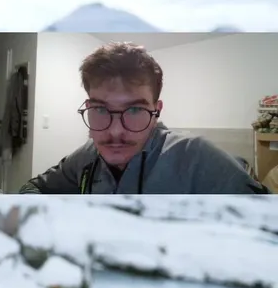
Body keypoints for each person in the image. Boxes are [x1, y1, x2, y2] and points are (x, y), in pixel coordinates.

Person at [18, 41, 269, 195]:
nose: (115, 132)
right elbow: (33, 188)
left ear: (156, 110)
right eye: (101, 110)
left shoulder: (196, 158)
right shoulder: (87, 155)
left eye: (135, 110)